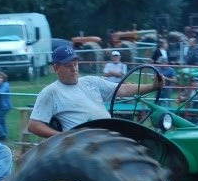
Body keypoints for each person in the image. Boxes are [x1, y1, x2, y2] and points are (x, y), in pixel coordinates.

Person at [28, 45, 161, 138]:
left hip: (109, 134)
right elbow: (34, 125)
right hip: (84, 143)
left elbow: (121, 88)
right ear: (56, 68)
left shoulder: (90, 81)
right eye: (68, 66)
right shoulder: (51, 92)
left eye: (75, 64)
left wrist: (152, 87)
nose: (74, 69)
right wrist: (61, 137)